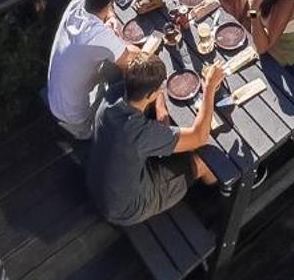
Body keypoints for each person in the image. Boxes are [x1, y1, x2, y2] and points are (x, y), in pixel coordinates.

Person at [87, 50, 225, 225]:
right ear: (151, 93)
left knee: (180, 145)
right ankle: (214, 202)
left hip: (100, 185)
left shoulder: (112, 97)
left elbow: (152, 98)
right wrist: (210, 87)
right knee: (205, 159)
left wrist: (161, 108)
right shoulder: (139, 133)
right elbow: (200, 136)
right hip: (126, 207)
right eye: (160, 88)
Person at [46, 0, 132, 141]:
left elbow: (107, 10)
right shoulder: (97, 35)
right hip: (77, 119)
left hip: (58, 97)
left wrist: (111, 18)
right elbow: (130, 63)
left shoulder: (80, 0)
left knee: (111, 62)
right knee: (130, 89)